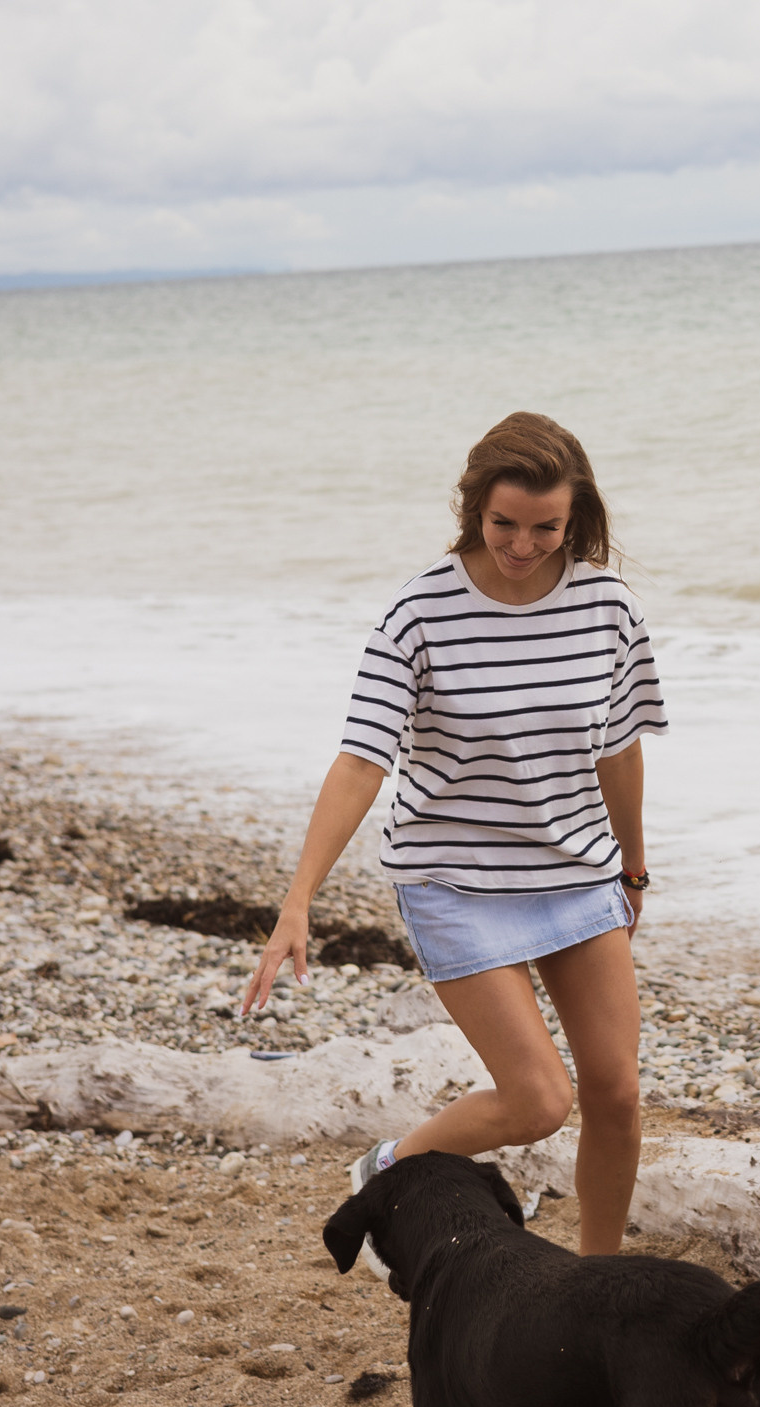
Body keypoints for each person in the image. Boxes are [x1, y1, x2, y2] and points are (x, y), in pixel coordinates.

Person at [243, 412, 666, 1254]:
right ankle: (389, 1170)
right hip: (455, 878)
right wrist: (297, 903)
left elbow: (619, 750)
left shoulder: (607, 605)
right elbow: (362, 759)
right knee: (539, 1101)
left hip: (576, 870)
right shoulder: (420, 611)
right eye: (503, 523)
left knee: (616, 1094)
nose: (523, 544)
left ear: (576, 517)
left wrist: (633, 867)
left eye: (547, 527)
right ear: (473, 506)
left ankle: (597, 1279)